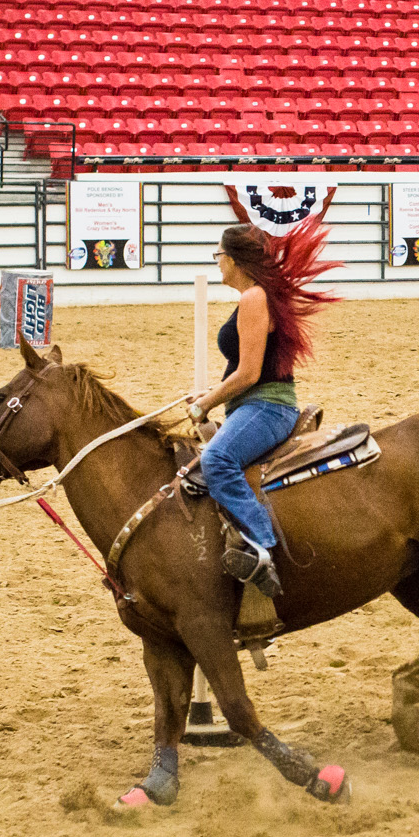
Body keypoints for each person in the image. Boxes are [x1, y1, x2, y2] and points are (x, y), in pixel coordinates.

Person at [180, 221, 340, 597]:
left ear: (234, 260)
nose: (217, 262)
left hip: (267, 407)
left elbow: (250, 373)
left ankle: (263, 546)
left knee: (217, 460)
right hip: (253, 405)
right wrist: (214, 394)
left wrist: (206, 403)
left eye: (218, 255)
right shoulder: (256, 296)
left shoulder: (254, 298)